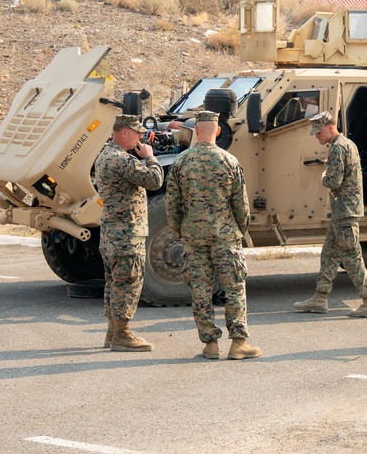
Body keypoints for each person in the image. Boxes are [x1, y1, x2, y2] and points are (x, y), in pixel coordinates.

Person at [166, 111, 260, 360]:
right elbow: (241, 205)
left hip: (194, 238)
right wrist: (239, 230)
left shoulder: (181, 163)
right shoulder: (229, 161)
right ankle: (239, 343)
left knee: (200, 289)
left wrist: (182, 230)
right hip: (225, 236)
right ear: (218, 131)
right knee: (234, 288)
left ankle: (210, 344)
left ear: (196, 131)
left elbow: (172, 205)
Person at [293, 111, 367, 317]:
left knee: (351, 256)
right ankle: (320, 298)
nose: (317, 136)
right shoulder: (346, 144)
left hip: (345, 212)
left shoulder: (339, 148)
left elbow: (333, 181)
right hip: (343, 211)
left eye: (319, 131)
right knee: (329, 253)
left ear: (331, 128)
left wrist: (324, 174)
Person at [94, 114, 164, 352]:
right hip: (127, 234)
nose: (140, 138)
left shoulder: (105, 155)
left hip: (111, 232)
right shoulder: (122, 160)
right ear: (124, 133)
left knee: (114, 283)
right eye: (137, 133)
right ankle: (122, 335)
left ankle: (113, 332)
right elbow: (154, 181)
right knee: (129, 282)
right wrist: (150, 157)